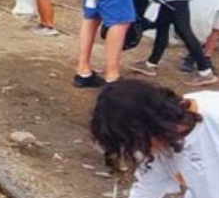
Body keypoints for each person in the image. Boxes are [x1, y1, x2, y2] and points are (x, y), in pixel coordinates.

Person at [90, 80, 219, 198]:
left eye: (135, 143)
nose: (138, 150)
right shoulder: (158, 148)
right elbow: (149, 188)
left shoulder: (213, 112)